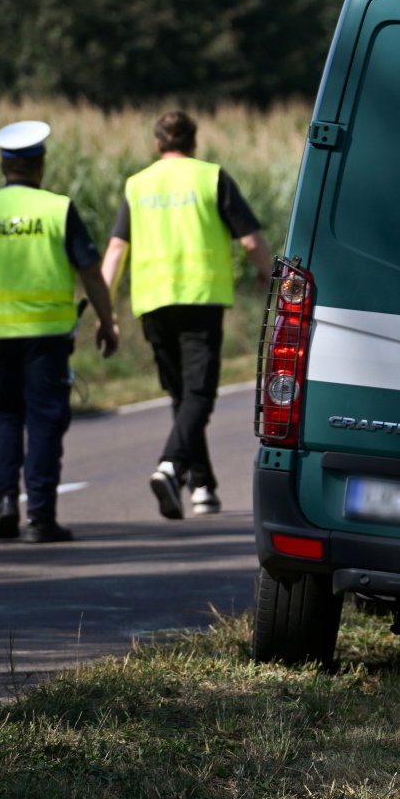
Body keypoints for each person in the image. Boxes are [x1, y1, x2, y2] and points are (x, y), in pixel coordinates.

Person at [0, 120, 119, 543]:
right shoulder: (58, 208)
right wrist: (107, 321)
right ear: (40, 165)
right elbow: (90, 271)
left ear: (4, 166)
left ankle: (4, 501)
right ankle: (40, 517)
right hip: (47, 336)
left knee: (5, 417)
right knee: (44, 421)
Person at [101, 111, 271, 519]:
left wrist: (105, 314)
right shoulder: (211, 177)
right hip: (200, 297)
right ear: (194, 142)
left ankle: (202, 486)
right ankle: (169, 466)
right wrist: (272, 277)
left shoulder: (137, 184)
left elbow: (116, 251)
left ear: (158, 144)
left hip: (153, 303)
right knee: (199, 395)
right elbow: (249, 240)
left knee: (183, 395)